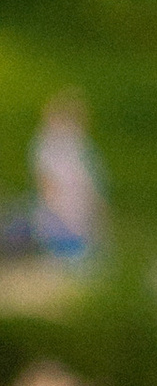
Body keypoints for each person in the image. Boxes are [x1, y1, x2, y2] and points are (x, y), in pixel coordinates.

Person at [0, 90, 105, 269]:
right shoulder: (53, 147)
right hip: (59, 223)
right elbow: (49, 188)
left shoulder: (70, 148)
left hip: (64, 225)